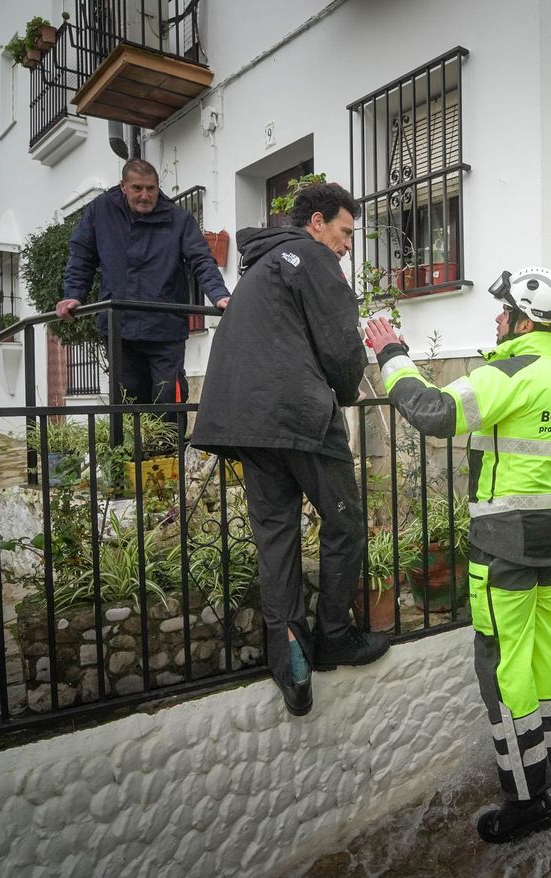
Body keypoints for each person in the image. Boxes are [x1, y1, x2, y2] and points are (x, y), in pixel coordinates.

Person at [363, 267, 551, 844]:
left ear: (525, 320)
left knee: (501, 659)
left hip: (504, 541)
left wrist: (392, 354)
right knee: (539, 645)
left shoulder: (510, 372)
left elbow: (434, 413)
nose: (496, 318)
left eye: (503, 309)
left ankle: (524, 798)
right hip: (549, 535)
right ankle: (550, 758)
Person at [189, 181, 390, 718]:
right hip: (296, 412)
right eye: (346, 232)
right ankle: (334, 637)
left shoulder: (262, 266)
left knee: (276, 533)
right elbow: (342, 346)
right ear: (318, 222)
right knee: (345, 520)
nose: (348, 244)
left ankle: (289, 659)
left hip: (243, 420)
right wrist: (345, 392)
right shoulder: (312, 257)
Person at [57, 159, 230, 413]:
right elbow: (82, 256)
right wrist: (73, 295)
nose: (145, 195)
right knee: (127, 403)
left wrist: (219, 295)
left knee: (168, 399)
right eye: (137, 188)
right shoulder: (100, 211)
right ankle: (134, 454)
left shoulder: (179, 219)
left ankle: (170, 453)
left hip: (165, 329)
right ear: (123, 186)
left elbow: (201, 259)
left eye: (151, 188)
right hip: (119, 329)